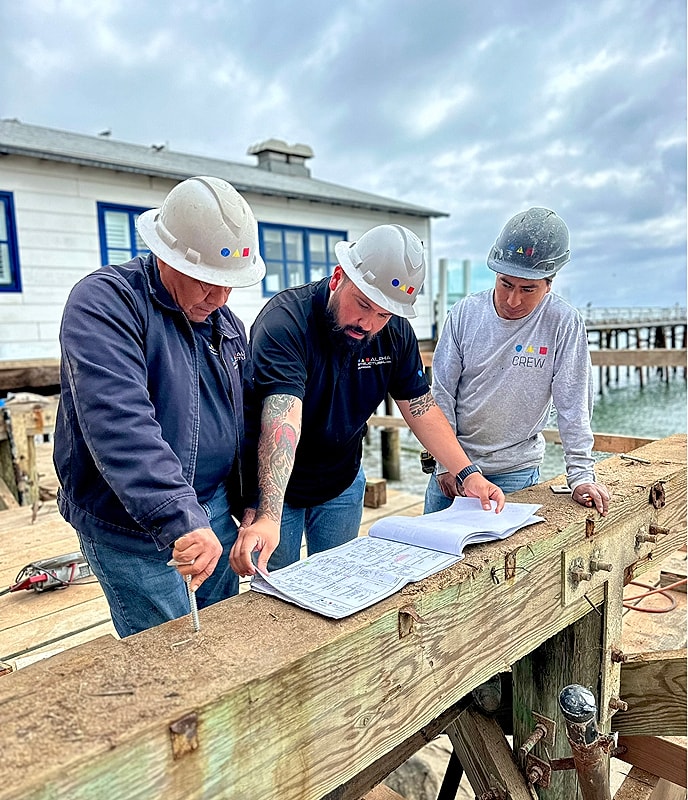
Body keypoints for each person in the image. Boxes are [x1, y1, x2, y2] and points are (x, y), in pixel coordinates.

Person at [230, 224, 505, 579]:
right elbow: (283, 417)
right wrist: (267, 513)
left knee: (336, 578)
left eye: (384, 314)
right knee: (277, 587)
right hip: (278, 486)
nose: (369, 324)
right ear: (338, 277)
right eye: (362, 305)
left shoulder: (393, 333)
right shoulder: (285, 321)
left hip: (342, 479)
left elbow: (420, 406)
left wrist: (467, 473)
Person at [53, 176, 266, 636]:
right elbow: (120, 423)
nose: (220, 298)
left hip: (212, 510)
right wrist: (180, 517)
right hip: (129, 524)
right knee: (167, 649)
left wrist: (252, 502)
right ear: (165, 255)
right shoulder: (105, 303)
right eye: (207, 282)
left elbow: (242, 421)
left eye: (230, 285)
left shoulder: (226, 324)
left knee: (223, 630)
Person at [424, 207, 610, 517]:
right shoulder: (465, 314)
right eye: (505, 284)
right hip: (454, 468)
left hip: (516, 473)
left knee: (509, 564)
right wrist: (445, 462)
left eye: (528, 289)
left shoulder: (563, 323)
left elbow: (573, 404)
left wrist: (581, 477)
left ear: (549, 284)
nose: (513, 300)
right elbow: (441, 392)